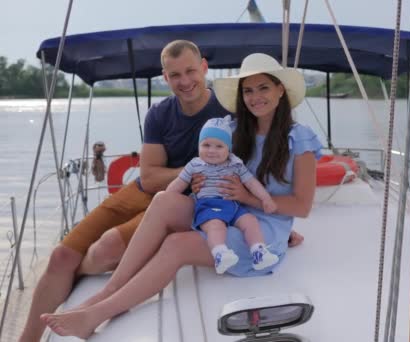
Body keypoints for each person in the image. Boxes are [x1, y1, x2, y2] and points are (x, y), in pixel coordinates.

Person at [41, 52, 322, 339]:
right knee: (164, 200)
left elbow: (302, 206)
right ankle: (110, 290)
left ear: (280, 91)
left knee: (176, 245)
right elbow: (208, 165)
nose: (255, 97)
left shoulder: (298, 138)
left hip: (259, 234)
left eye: (264, 88)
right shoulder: (234, 129)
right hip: (226, 212)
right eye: (248, 90)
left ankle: (97, 314)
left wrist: (248, 199)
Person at [18, 39, 234, 342]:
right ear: (165, 77)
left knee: (107, 247)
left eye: (190, 71)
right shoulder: (160, 114)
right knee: (59, 258)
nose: (185, 81)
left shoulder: (229, 112)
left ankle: (75, 280)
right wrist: (192, 171)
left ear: (204, 68)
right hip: (143, 190)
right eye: (175, 75)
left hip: (180, 202)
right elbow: (148, 175)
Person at [167, 115, 279, 274]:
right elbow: (178, 184)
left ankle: (258, 252)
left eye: (219, 146)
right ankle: (219, 253)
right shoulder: (195, 165)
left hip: (233, 206)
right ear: (198, 146)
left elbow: (251, 183)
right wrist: (167, 197)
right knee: (215, 226)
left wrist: (266, 198)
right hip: (209, 206)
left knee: (250, 221)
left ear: (229, 148)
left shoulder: (236, 164)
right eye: (206, 145)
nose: (212, 151)